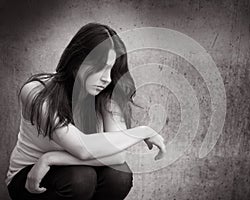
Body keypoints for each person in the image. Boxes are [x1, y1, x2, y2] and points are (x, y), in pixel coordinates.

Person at [5, 23, 166, 200]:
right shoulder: (38, 91)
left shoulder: (106, 95)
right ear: (77, 62)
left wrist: (51, 158)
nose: (107, 78)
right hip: (30, 177)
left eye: (111, 70)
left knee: (119, 176)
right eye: (100, 68)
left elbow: (118, 156)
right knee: (81, 178)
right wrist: (142, 132)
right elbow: (81, 148)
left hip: (61, 168)